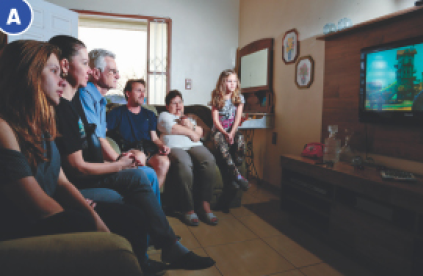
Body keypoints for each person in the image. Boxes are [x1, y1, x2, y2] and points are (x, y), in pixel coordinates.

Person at [47, 36, 214, 274]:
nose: (90, 70)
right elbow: (84, 158)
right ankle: (161, 244)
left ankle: (160, 238)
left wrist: (129, 157)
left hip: (115, 161)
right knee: (141, 174)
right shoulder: (74, 103)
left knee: (145, 172)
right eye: (84, 63)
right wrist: (119, 163)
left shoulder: (83, 104)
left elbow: (142, 136)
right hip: (86, 175)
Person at [73, 48, 162, 202]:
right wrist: (119, 161)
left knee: (149, 172)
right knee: (145, 173)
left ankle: (147, 217)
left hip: (102, 161)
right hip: (89, 168)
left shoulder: (101, 101)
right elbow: (97, 139)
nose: (118, 76)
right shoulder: (85, 94)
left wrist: (121, 159)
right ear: (96, 73)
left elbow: (100, 137)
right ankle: (150, 220)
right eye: (113, 71)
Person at [157, 90, 218, 226]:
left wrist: (192, 126)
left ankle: (204, 205)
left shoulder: (190, 117)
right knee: (184, 163)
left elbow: (205, 133)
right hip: (175, 147)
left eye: (180, 102)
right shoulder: (164, 115)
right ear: (167, 106)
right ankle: (188, 209)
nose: (178, 106)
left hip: (194, 146)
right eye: (174, 103)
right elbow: (170, 128)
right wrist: (191, 132)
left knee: (209, 160)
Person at [107, 79, 170, 188]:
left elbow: (154, 138)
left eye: (143, 91)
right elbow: (103, 133)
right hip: (129, 149)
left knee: (164, 161)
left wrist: (162, 145)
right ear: (128, 93)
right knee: (140, 157)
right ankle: (144, 199)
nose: (142, 95)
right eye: (138, 91)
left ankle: (153, 198)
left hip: (148, 149)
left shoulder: (149, 114)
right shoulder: (117, 113)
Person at [210, 69, 249, 191]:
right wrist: (225, 133)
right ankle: (236, 175)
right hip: (219, 131)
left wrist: (231, 133)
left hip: (232, 130)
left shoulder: (239, 98)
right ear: (222, 82)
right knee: (219, 140)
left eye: (235, 81)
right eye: (229, 81)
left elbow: (237, 119)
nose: (233, 84)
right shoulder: (217, 97)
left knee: (241, 139)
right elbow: (215, 120)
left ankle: (235, 173)